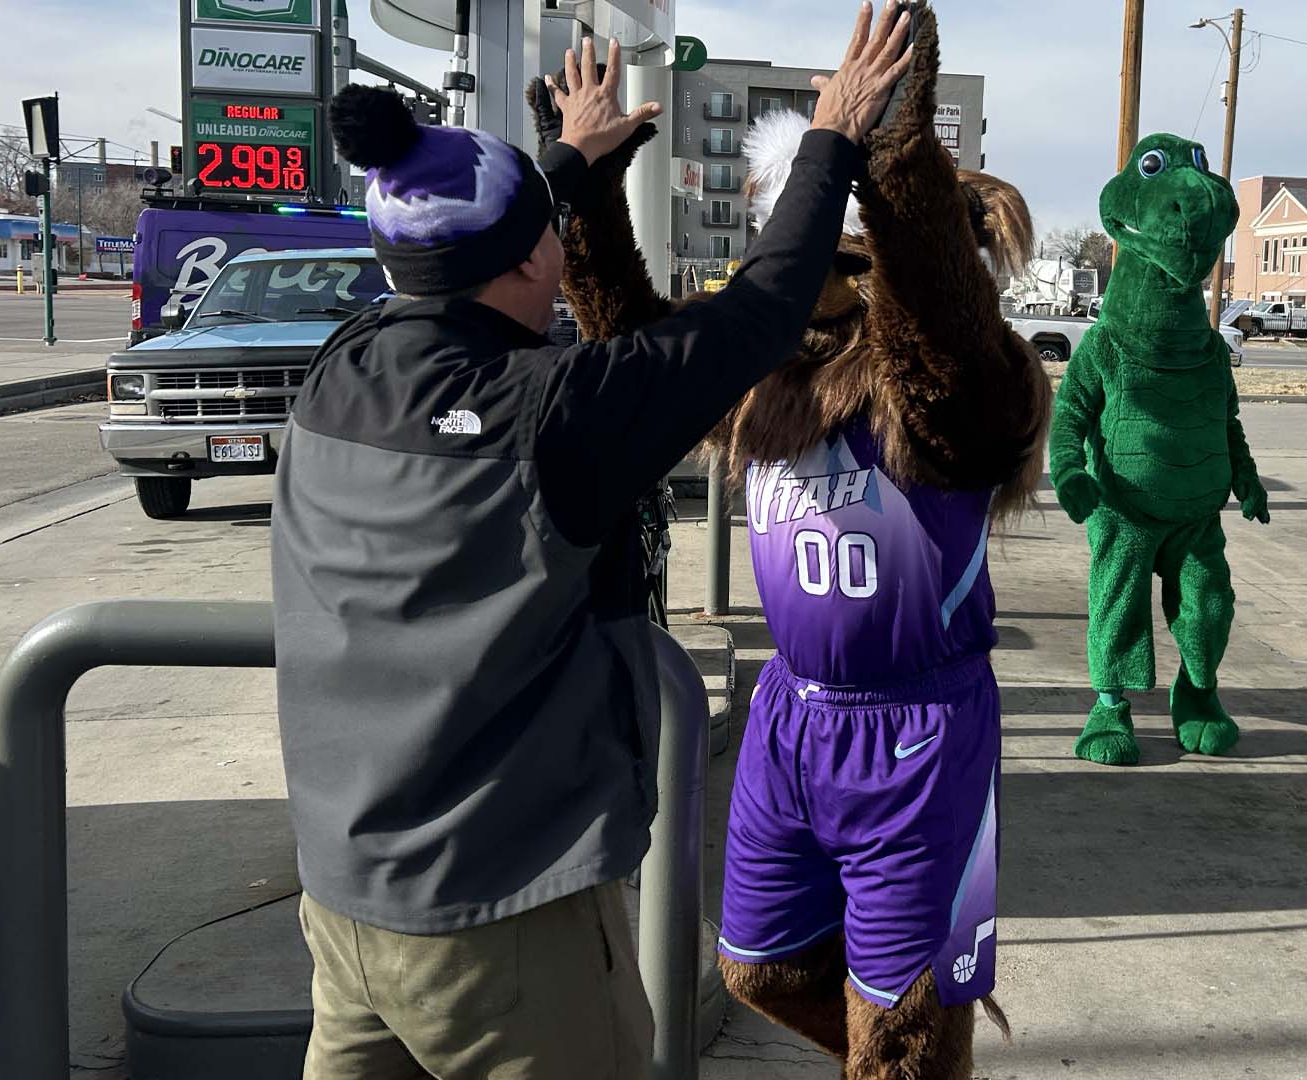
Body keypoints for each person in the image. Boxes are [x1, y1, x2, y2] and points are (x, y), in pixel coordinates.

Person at [269, 7, 913, 1076]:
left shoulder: (340, 369)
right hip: (502, 919)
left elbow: (475, 247)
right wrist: (831, 134)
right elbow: (758, 315)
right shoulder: (552, 417)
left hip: (341, 903)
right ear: (538, 253)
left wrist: (563, 163)